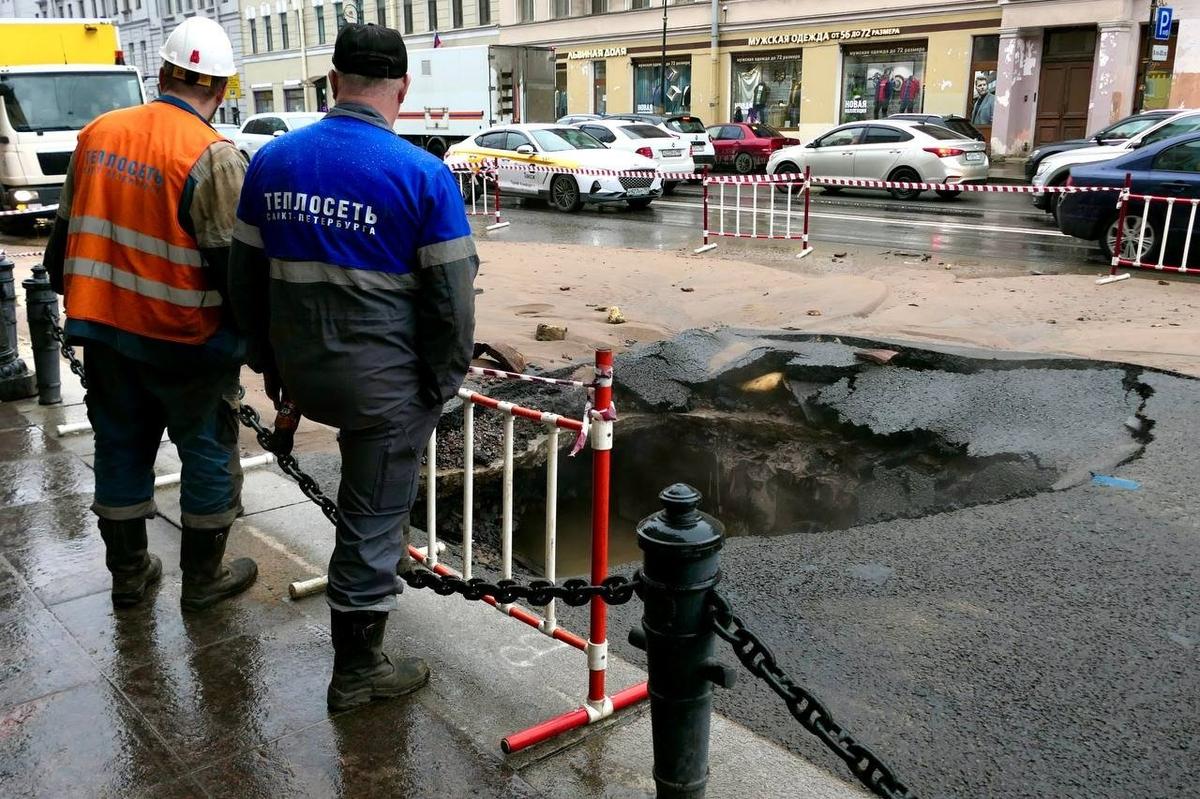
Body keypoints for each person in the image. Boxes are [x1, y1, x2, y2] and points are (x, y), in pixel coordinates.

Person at [227, 23, 477, 712]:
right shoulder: (423, 176)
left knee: (371, 517)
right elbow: (452, 309)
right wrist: (439, 383)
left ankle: (379, 564)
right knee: (370, 519)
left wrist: (268, 363)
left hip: (303, 375)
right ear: (401, 87)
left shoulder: (271, 163)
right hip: (384, 391)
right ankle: (358, 671)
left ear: (333, 81)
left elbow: (243, 279)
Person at [43, 17, 257, 612]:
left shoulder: (97, 134)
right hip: (186, 344)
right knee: (208, 453)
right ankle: (203, 579)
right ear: (220, 89)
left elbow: (62, 245)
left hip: (106, 334)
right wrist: (254, 342)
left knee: (119, 450)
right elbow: (231, 272)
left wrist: (81, 300)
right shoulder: (211, 156)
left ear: (162, 73)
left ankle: (130, 577)